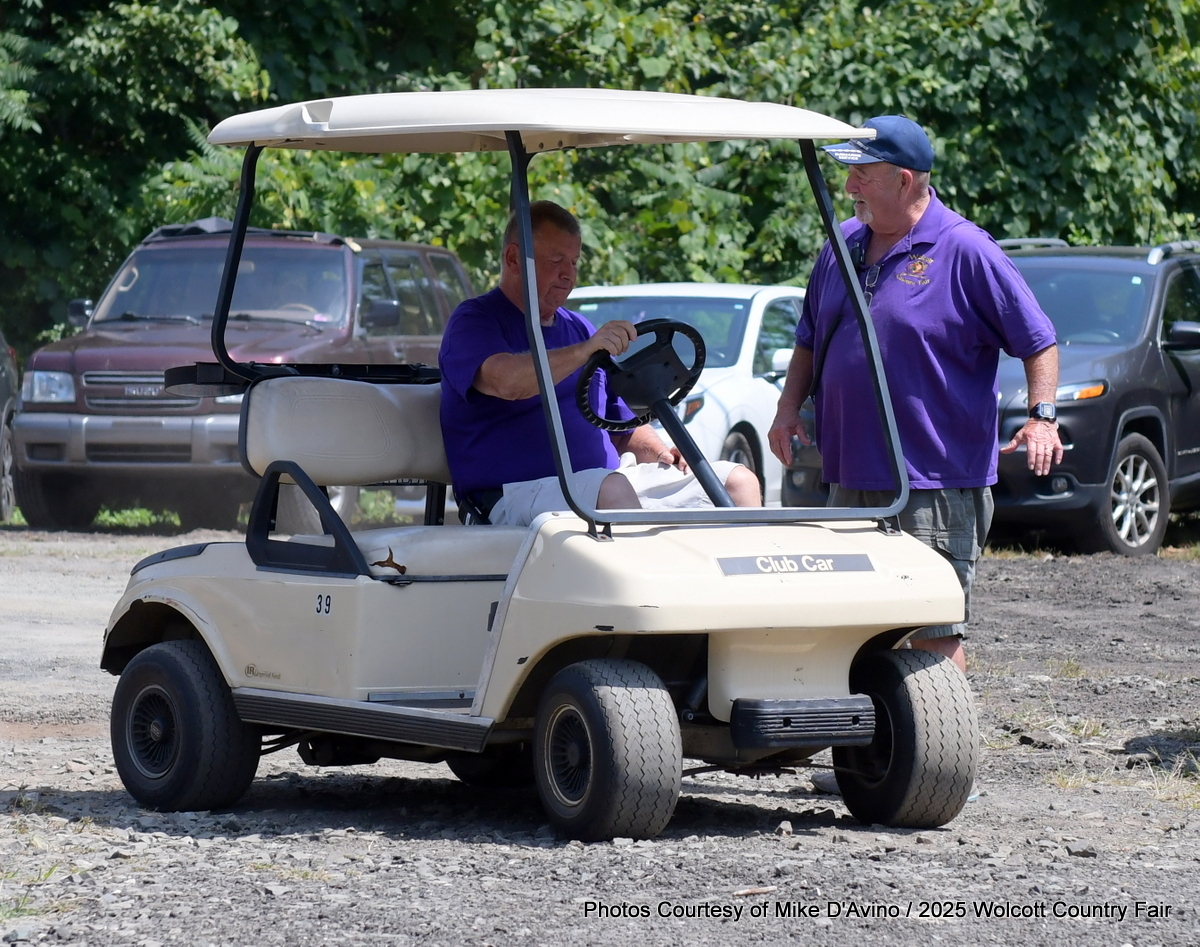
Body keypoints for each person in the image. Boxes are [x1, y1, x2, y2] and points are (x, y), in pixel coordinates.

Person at [768, 116, 1063, 680]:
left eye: (862, 175)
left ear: (903, 180)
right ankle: (872, 742)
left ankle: (937, 739)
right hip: (849, 479)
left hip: (932, 484)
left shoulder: (965, 249)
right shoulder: (842, 245)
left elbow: (1038, 341)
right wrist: (787, 410)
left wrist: (1042, 418)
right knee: (851, 626)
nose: (849, 187)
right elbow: (808, 337)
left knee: (929, 631)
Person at [440, 200, 761, 527]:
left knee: (736, 483)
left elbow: (619, 425)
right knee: (611, 491)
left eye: (574, 262)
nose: (568, 274)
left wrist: (660, 450)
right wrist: (583, 351)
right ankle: (641, 562)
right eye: (556, 261)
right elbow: (506, 382)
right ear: (513, 259)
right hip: (510, 496)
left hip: (601, 483)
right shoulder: (474, 321)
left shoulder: (578, 327)